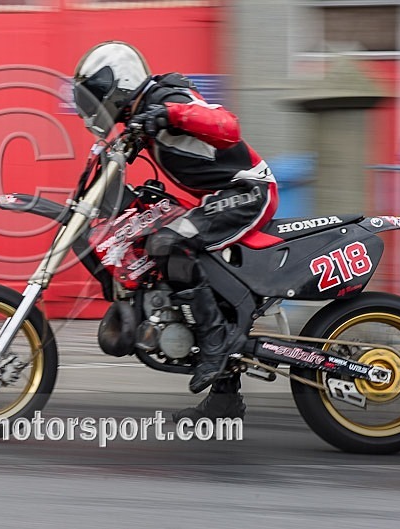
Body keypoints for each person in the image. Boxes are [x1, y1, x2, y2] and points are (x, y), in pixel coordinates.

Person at [72, 41, 279, 420]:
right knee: (151, 238)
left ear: (117, 84)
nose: (95, 105)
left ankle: (215, 341)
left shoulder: (168, 96)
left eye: (97, 95)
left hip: (248, 192)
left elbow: (227, 126)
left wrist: (170, 113)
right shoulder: (141, 120)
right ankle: (224, 400)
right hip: (217, 199)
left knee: (171, 241)